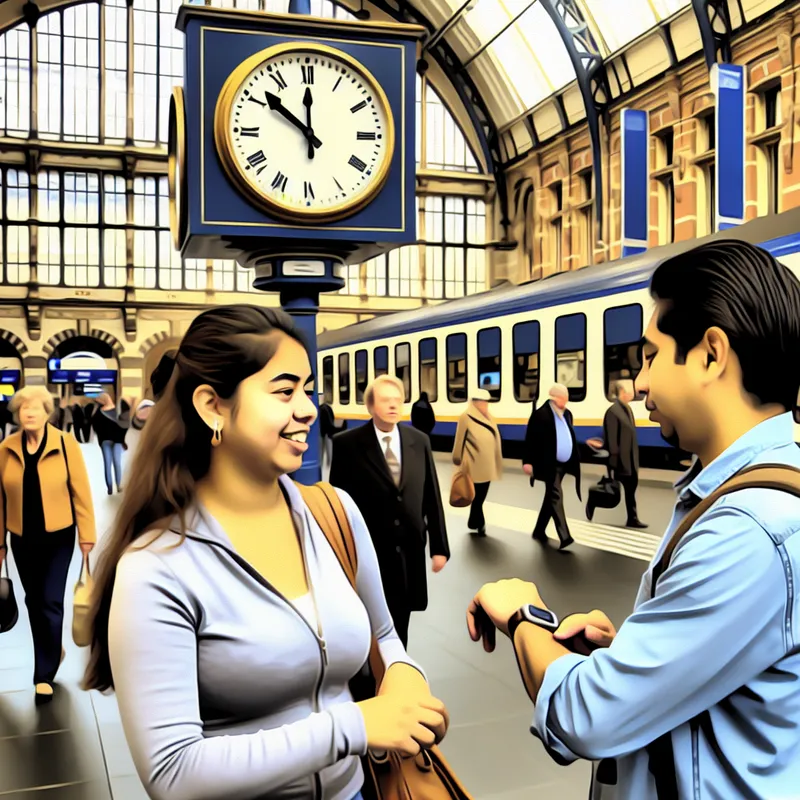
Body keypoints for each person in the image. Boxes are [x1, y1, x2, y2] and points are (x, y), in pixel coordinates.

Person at [464, 240, 800, 799]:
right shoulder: (751, 498)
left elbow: (587, 717)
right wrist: (631, 653)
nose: (641, 382)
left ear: (711, 355)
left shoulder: (749, 529)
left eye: (650, 356)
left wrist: (523, 614)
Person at [81, 305, 448, 800]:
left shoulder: (333, 513)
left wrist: (404, 680)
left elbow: (384, 634)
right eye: (284, 391)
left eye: (307, 389)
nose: (308, 408)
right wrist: (354, 725)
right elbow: (172, 773)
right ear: (213, 406)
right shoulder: (157, 568)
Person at [329, 375, 449, 648]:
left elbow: (431, 495)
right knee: (368, 617)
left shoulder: (419, 441)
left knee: (401, 618)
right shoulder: (347, 444)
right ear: (370, 406)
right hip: (369, 549)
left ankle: (397, 668)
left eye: (398, 400)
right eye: (385, 400)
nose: (393, 405)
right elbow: (338, 502)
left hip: (409, 549)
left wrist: (439, 547)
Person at [0, 385, 96, 702]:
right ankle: (53, 647)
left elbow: (81, 492)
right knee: (33, 601)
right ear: (17, 414)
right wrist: (0, 544)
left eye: (35, 408)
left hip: (58, 536)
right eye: (23, 408)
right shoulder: (6, 448)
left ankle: (44, 675)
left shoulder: (66, 444)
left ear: (47, 412)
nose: (28, 413)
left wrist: (87, 535)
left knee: (51, 601)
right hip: (22, 537)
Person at [522, 383, 581, 549]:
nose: (566, 401)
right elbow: (530, 440)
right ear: (554, 397)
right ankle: (565, 536)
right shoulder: (540, 415)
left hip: (564, 463)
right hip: (548, 463)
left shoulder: (567, 414)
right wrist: (527, 462)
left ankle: (539, 529)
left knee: (550, 496)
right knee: (556, 495)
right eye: (563, 397)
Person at [587, 380, 647, 528]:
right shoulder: (613, 412)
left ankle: (632, 519)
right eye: (628, 391)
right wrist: (613, 463)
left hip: (630, 459)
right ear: (621, 392)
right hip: (620, 460)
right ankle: (593, 501)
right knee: (614, 494)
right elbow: (612, 439)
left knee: (630, 489)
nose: (631, 394)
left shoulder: (627, 410)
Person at [452, 388, 503, 536]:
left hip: (488, 465)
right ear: (474, 402)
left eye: (486, 402)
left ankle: (473, 521)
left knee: (480, 496)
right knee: (477, 496)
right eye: (482, 402)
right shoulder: (465, 417)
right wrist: (457, 459)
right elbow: (459, 440)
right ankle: (479, 523)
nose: (485, 405)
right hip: (473, 464)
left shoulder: (490, 417)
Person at [91, 392, 128, 495]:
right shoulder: (115, 411)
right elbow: (123, 426)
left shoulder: (100, 413)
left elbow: (96, 428)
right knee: (114, 463)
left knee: (111, 463)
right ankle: (115, 486)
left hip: (110, 441)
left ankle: (114, 487)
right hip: (112, 441)